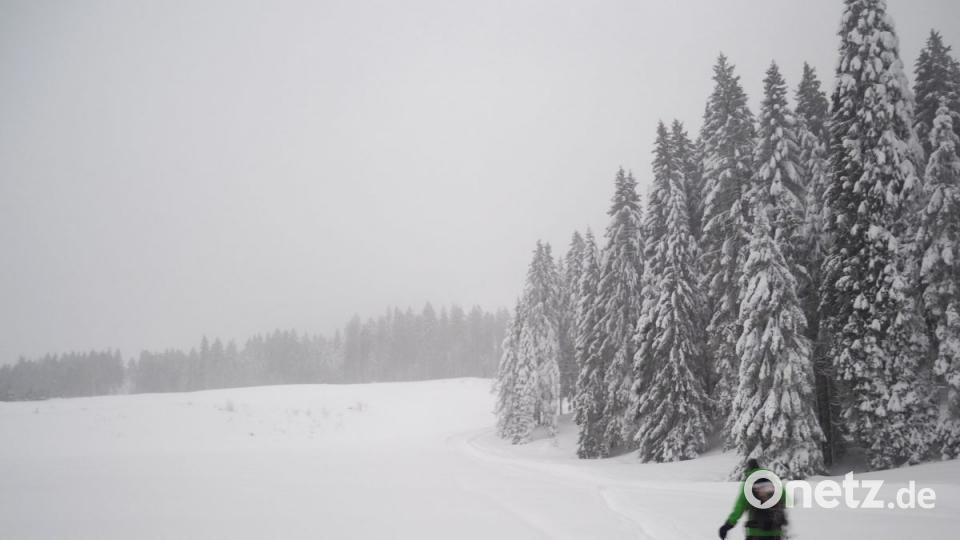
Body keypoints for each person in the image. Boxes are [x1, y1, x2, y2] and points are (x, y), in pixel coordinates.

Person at [718, 458, 787, 539]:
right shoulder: (772, 480)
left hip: (756, 533)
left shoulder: (749, 483)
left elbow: (740, 506)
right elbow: (785, 499)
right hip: (775, 532)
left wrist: (728, 524)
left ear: (748, 469)